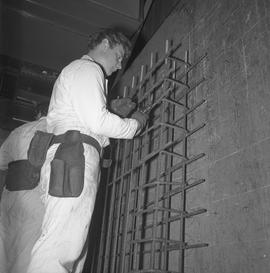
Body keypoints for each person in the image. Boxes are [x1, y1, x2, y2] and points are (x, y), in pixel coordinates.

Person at [26, 29, 148, 273]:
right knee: (60, 249)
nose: (120, 64)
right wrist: (135, 125)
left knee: (72, 249)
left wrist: (112, 110)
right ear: (104, 43)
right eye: (119, 55)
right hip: (74, 156)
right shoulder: (87, 69)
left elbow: (86, 120)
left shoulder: (83, 73)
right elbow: (96, 122)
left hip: (73, 155)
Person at [0, 102, 49, 273]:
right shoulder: (58, 128)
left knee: (5, 245)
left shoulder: (18, 131)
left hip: (12, 194)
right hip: (38, 194)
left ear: (38, 113)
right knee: (29, 249)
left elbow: (2, 162)